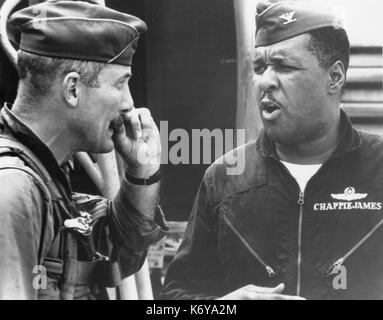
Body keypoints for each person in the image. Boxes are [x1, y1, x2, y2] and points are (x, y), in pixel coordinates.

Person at [161, 0, 383, 300]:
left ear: (335, 77)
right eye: (259, 67)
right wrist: (226, 306)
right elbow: (171, 301)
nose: (264, 81)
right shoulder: (225, 178)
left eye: (284, 66)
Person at [0, 1, 167, 300]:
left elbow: (116, 252)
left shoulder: (45, 176)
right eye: (120, 84)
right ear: (73, 89)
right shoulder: (13, 187)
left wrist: (142, 172)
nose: (129, 103)